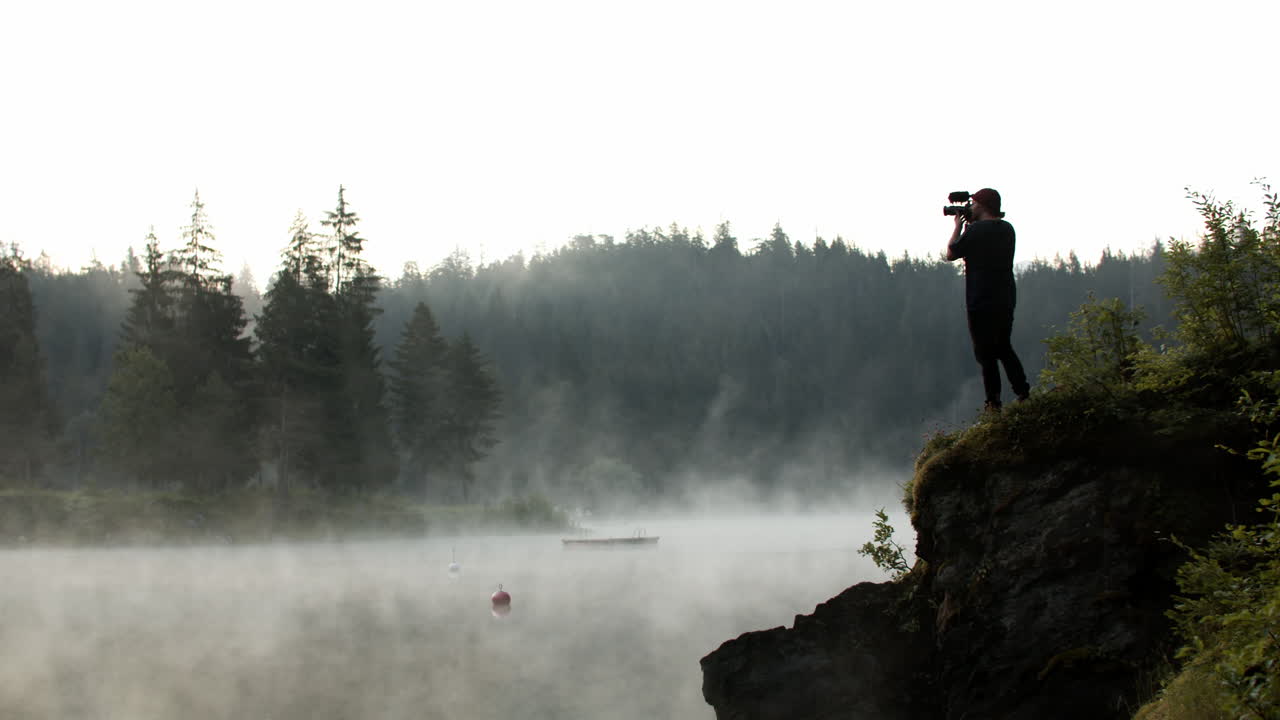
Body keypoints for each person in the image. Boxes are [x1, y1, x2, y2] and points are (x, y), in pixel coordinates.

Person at [944, 188, 1030, 411]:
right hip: (1005, 297)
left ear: (982, 205)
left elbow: (951, 253)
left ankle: (993, 402)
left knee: (985, 353)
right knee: (1003, 346)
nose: (970, 207)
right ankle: (1023, 392)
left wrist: (958, 227)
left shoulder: (977, 230)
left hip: (981, 299)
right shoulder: (1007, 229)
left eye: (973, 203)